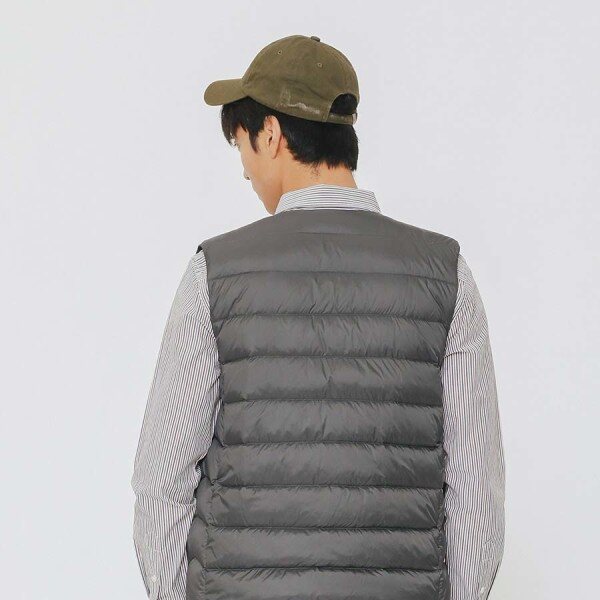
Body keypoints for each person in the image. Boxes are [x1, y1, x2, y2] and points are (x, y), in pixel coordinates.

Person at [131, 34, 505, 600]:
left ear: (271, 134)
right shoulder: (445, 273)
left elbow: (163, 480)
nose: (245, 171)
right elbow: (477, 491)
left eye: (241, 146)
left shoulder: (215, 274)